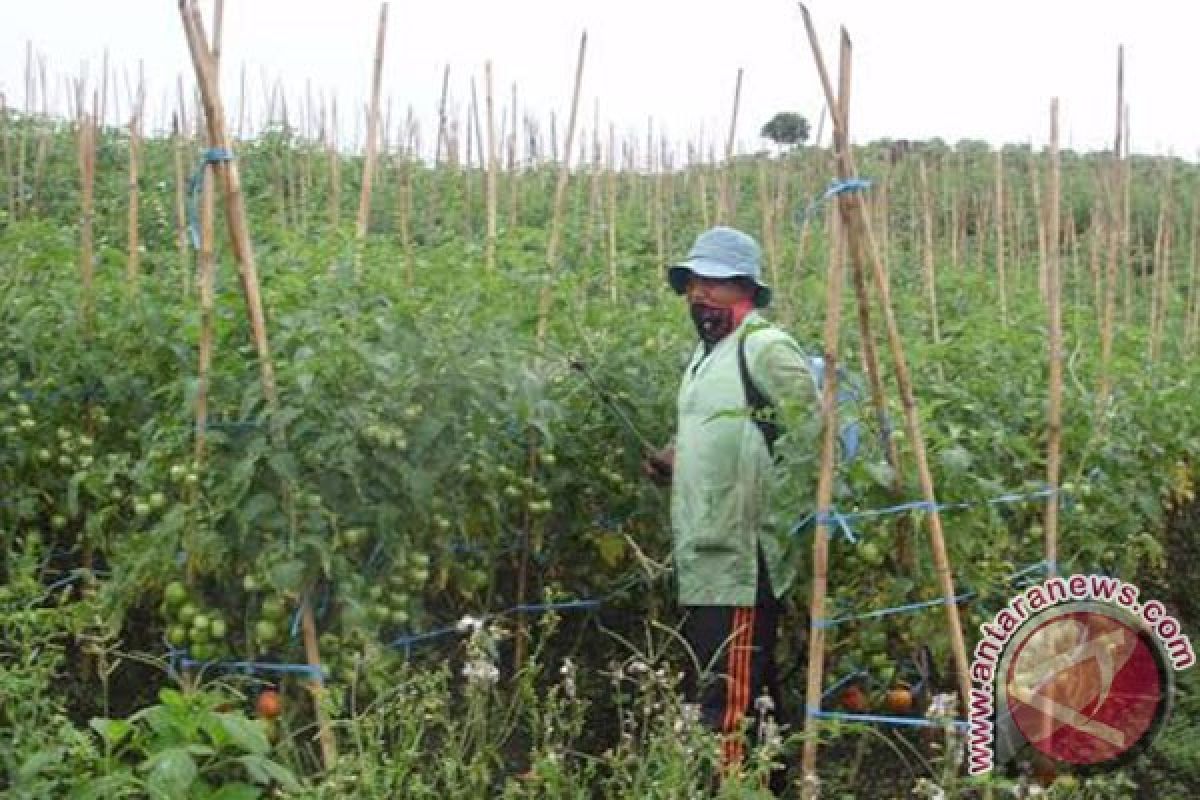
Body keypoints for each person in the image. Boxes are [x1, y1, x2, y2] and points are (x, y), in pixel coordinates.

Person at [643, 225, 818, 795]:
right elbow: (725, 436)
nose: (701, 295)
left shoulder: (765, 348)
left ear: (745, 288)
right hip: (706, 550)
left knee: (725, 709)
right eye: (695, 282)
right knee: (753, 696)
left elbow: (813, 437)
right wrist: (680, 459)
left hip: (743, 558)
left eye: (715, 284)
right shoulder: (705, 353)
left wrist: (773, 499)